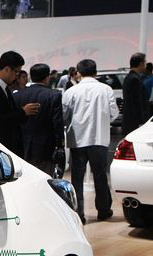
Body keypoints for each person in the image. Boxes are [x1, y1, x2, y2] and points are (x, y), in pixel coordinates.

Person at [62, 58, 118, 223]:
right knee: (100, 176)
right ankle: (104, 210)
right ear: (96, 72)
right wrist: (103, 121)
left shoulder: (71, 91)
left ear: (78, 73)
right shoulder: (106, 89)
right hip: (99, 138)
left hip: (77, 140)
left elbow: (64, 115)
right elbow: (114, 113)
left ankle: (78, 213)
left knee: (77, 178)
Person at [0, 50, 40, 156]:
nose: (17, 76)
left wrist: (23, 112)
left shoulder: (4, 86)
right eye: (16, 72)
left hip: (8, 148)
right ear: (7, 69)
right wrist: (23, 112)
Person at [13, 63, 64, 177]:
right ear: (47, 77)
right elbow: (57, 123)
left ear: (31, 77)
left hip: (22, 147)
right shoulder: (53, 95)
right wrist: (60, 145)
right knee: (45, 179)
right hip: (45, 148)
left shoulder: (17, 96)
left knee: (24, 179)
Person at [122, 52, 149, 134]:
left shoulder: (129, 77)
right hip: (134, 122)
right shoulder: (135, 79)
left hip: (130, 120)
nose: (145, 66)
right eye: (145, 63)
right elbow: (137, 102)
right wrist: (141, 121)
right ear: (141, 64)